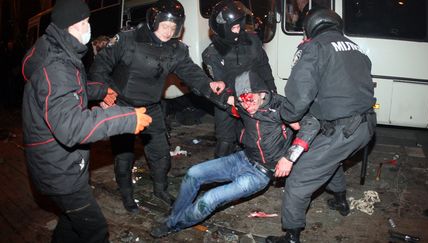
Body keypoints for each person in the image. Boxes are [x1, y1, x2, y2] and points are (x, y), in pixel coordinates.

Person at [21, 0, 152, 242]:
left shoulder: (58, 50)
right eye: (84, 23)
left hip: (58, 163)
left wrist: (101, 91)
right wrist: (125, 118)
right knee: (95, 230)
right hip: (59, 171)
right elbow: (71, 126)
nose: (88, 26)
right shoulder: (56, 67)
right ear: (68, 27)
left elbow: (73, 89)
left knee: (71, 224)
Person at [89, 0, 228, 213]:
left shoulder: (176, 49)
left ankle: (160, 189)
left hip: (152, 106)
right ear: (153, 21)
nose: (168, 32)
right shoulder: (127, 39)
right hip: (123, 105)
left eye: (174, 28)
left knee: (161, 153)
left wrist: (209, 83)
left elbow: (190, 72)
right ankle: (127, 195)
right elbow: (100, 66)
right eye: (165, 26)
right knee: (124, 154)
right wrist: (103, 94)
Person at [266, 9, 377, 243]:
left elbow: (300, 92)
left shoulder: (315, 47)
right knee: (329, 158)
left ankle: (292, 236)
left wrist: (288, 114)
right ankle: (340, 199)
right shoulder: (354, 48)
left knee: (298, 180)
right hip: (365, 125)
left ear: (311, 27)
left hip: (344, 128)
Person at [150, 70, 294, 238]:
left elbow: (309, 124)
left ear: (261, 92)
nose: (247, 106)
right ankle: (175, 215)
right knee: (193, 173)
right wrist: (206, 86)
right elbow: (221, 97)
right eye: (242, 101)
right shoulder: (242, 103)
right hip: (243, 158)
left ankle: (173, 225)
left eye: (250, 100)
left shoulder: (280, 107)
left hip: (259, 174)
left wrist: (289, 157)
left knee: (209, 199)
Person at [202, 0, 276, 158]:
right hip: (228, 102)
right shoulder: (212, 53)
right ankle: (219, 179)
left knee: (255, 139)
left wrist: (271, 91)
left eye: (239, 25)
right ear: (222, 28)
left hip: (254, 97)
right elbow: (220, 85)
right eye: (234, 27)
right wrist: (235, 102)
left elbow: (264, 67)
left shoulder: (252, 41)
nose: (239, 30)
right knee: (226, 141)